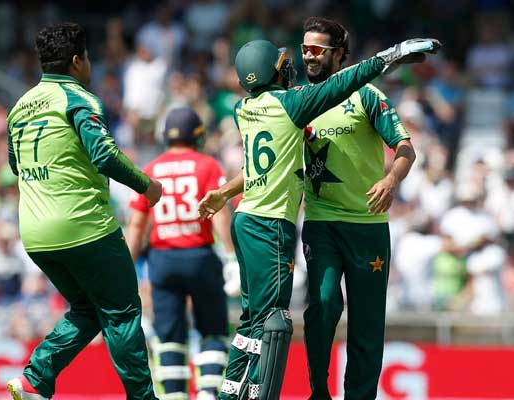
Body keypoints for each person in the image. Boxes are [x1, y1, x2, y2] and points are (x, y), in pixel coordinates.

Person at [198, 37, 439, 400]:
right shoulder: (293, 104)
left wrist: (224, 192)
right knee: (272, 322)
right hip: (271, 225)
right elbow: (343, 83)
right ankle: (254, 396)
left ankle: (232, 393)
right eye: (283, 64)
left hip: (246, 217)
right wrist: (392, 56)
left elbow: (269, 162)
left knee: (252, 319)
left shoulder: (243, 108)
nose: (292, 65)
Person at [4, 22, 162, 400]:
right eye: (88, 57)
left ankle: (34, 379)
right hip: (83, 226)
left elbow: (15, 164)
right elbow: (103, 154)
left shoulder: (18, 107)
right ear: (77, 61)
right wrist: (147, 186)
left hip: (36, 235)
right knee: (122, 313)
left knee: (88, 309)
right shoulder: (79, 99)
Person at [299, 17, 417, 400]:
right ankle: (319, 391)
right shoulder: (298, 99)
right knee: (323, 305)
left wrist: (390, 180)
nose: (308, 56)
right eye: (305, 49)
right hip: (321, 223)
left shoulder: (367, 95)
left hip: (368, 227)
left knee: (366, 326)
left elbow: (405, 148)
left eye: (317, 49)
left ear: (339, 55)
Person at [125, 107, 238, 400]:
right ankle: (207, 393)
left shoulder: (150, 169)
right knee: (213, 331)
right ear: (197, 135)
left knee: (168, 337)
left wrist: (125, 269)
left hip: (162, 261)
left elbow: (138, 225)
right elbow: (220, 215)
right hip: (200, 257)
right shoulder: (208, 165)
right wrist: (230, 255)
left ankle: (175, 396)